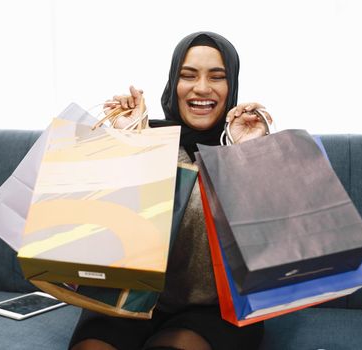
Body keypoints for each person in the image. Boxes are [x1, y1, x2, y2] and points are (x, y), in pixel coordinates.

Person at [69, 31, 273, 350]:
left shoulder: (246, 142)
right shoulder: (147, 136)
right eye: (188, 75)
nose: (202, 88)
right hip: (129, 298)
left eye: (217, 77)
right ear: (173, 84)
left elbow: (261, 251)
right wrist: (132, 140)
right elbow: (108, 230)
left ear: (231, 86)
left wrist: (242, 154)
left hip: (216, 310)